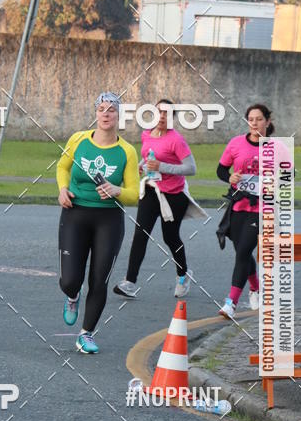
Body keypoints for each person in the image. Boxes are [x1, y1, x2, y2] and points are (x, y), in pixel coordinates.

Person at [56, 92, 139, 354]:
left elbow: (135, 194)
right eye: (101, 109)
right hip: (75, 214)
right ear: (95, 114)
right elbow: (62, 167)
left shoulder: (127, 151)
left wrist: (116, 190)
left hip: (109, 220)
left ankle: (86, 334)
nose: (106, 114)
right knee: (70, 280)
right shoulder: (78, 139)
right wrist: (62, 189)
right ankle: (72, 296)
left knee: (99, 279)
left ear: (118, 115)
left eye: (111, 110)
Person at [114, 99, 207, 300]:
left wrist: (162, 167)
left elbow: (191, 168)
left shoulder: (177, 140)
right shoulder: (146, 134)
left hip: (173, 196)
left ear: (172, 118)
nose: (162, 116)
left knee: (170, 238)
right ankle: (130, 282)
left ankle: (183, 275)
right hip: (150, 190)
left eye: (167, 113)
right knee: (140, 234)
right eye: (159, 112)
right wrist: (142, 164)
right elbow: (150, 155)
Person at [216, 103, 274, 320]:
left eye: (259, 119)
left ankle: (231, 303)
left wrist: (273, 179)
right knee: (242, 250)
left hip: (261, 208)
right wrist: (229, 177)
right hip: (238, 206)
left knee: (242, 252)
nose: (255, 123)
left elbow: (289, 174)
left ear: (267, 121)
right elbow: (221, 169)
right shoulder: (236, 143)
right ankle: (256, 287)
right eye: (251, 119)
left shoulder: (276, 147)